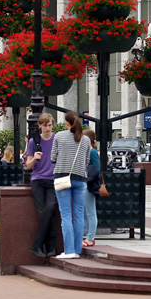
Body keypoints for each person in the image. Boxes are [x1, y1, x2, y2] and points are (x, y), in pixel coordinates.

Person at [50, 110, 91, 259]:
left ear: (67, 122)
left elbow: (53, 158)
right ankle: (77, 250)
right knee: (79, 215)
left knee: (66, 214)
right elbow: (87, 161)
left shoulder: (59, 136)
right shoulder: (85, 139)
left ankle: (68, 251)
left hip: (62, 177)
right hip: (80, 179)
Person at [26, 114, 57, 258]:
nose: (47, 128)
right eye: (45, 125)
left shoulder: (57, 139)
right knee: (43, 213)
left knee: (49, 209)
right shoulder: (33, 141)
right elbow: (28, 165)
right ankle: (51, 248)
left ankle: (36, 245)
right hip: (38, 179)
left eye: (50, 125)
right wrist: (34, 159)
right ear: (40, 126)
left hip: (53, 179)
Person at [83, 129, 101, 248]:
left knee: (90, 211)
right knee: (85, 211)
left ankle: (90, 237)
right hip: (85, 182)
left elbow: (97, 168)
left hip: (90, 184)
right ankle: (87, 234)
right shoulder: (87, 150)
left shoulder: (92, 151)